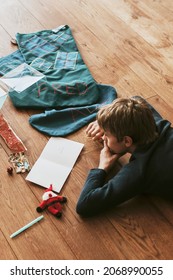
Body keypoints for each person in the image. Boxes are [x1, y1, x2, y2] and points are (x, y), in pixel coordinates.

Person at [76, 96, 173, 217]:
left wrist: (102, 168)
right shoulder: (154, 122)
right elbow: (136, 99)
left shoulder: (139, 172)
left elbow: (84, 205)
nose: (104, 137)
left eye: (106, 134)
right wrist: (107, 121)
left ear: (127, 141)